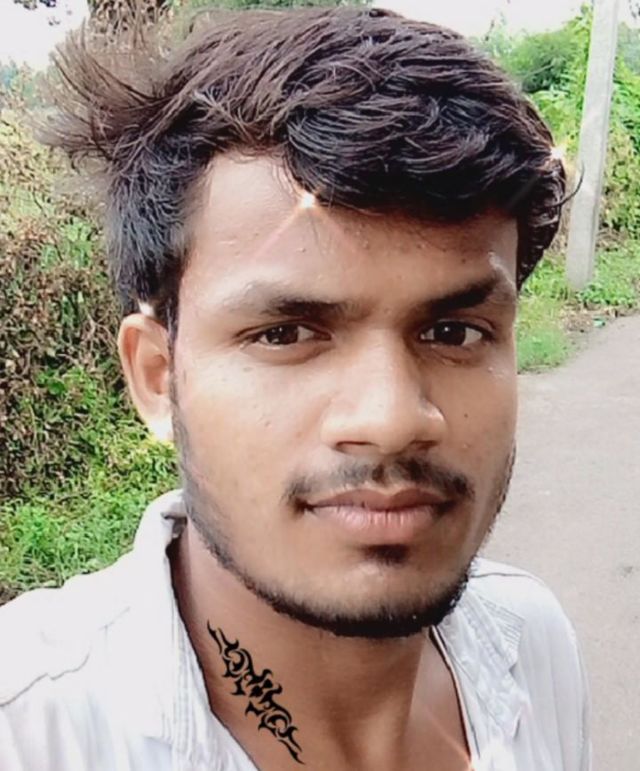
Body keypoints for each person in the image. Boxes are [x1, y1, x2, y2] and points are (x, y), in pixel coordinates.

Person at [0, 7, 590, 770]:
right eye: (285, 334)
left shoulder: (533, 647)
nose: (391, 418)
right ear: (157, 377)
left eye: (454, 332)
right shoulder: (31, 730)